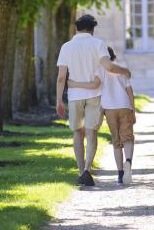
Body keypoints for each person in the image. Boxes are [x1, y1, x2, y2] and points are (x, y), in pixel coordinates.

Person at [56, 14, 131, 187]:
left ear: (77, 28)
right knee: (91, 133)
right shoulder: (98, 44)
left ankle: (81, 171)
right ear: (92, 28)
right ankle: (88, 170)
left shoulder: (66, 46)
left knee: (77, 133)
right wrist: (125, 71)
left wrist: (59, 100)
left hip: (74, 95)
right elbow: (110, 67)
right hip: (94, 95)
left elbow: (61, 78)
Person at [100, 46, 136, 185]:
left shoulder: (100, 71)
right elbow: (130, 91)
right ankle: (128, 162)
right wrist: (133, 110)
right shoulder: (122, 70)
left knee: (116, 142)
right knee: (128, 138)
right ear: (114, 57)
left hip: (109, 108)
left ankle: (120, 174)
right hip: (125, 106)